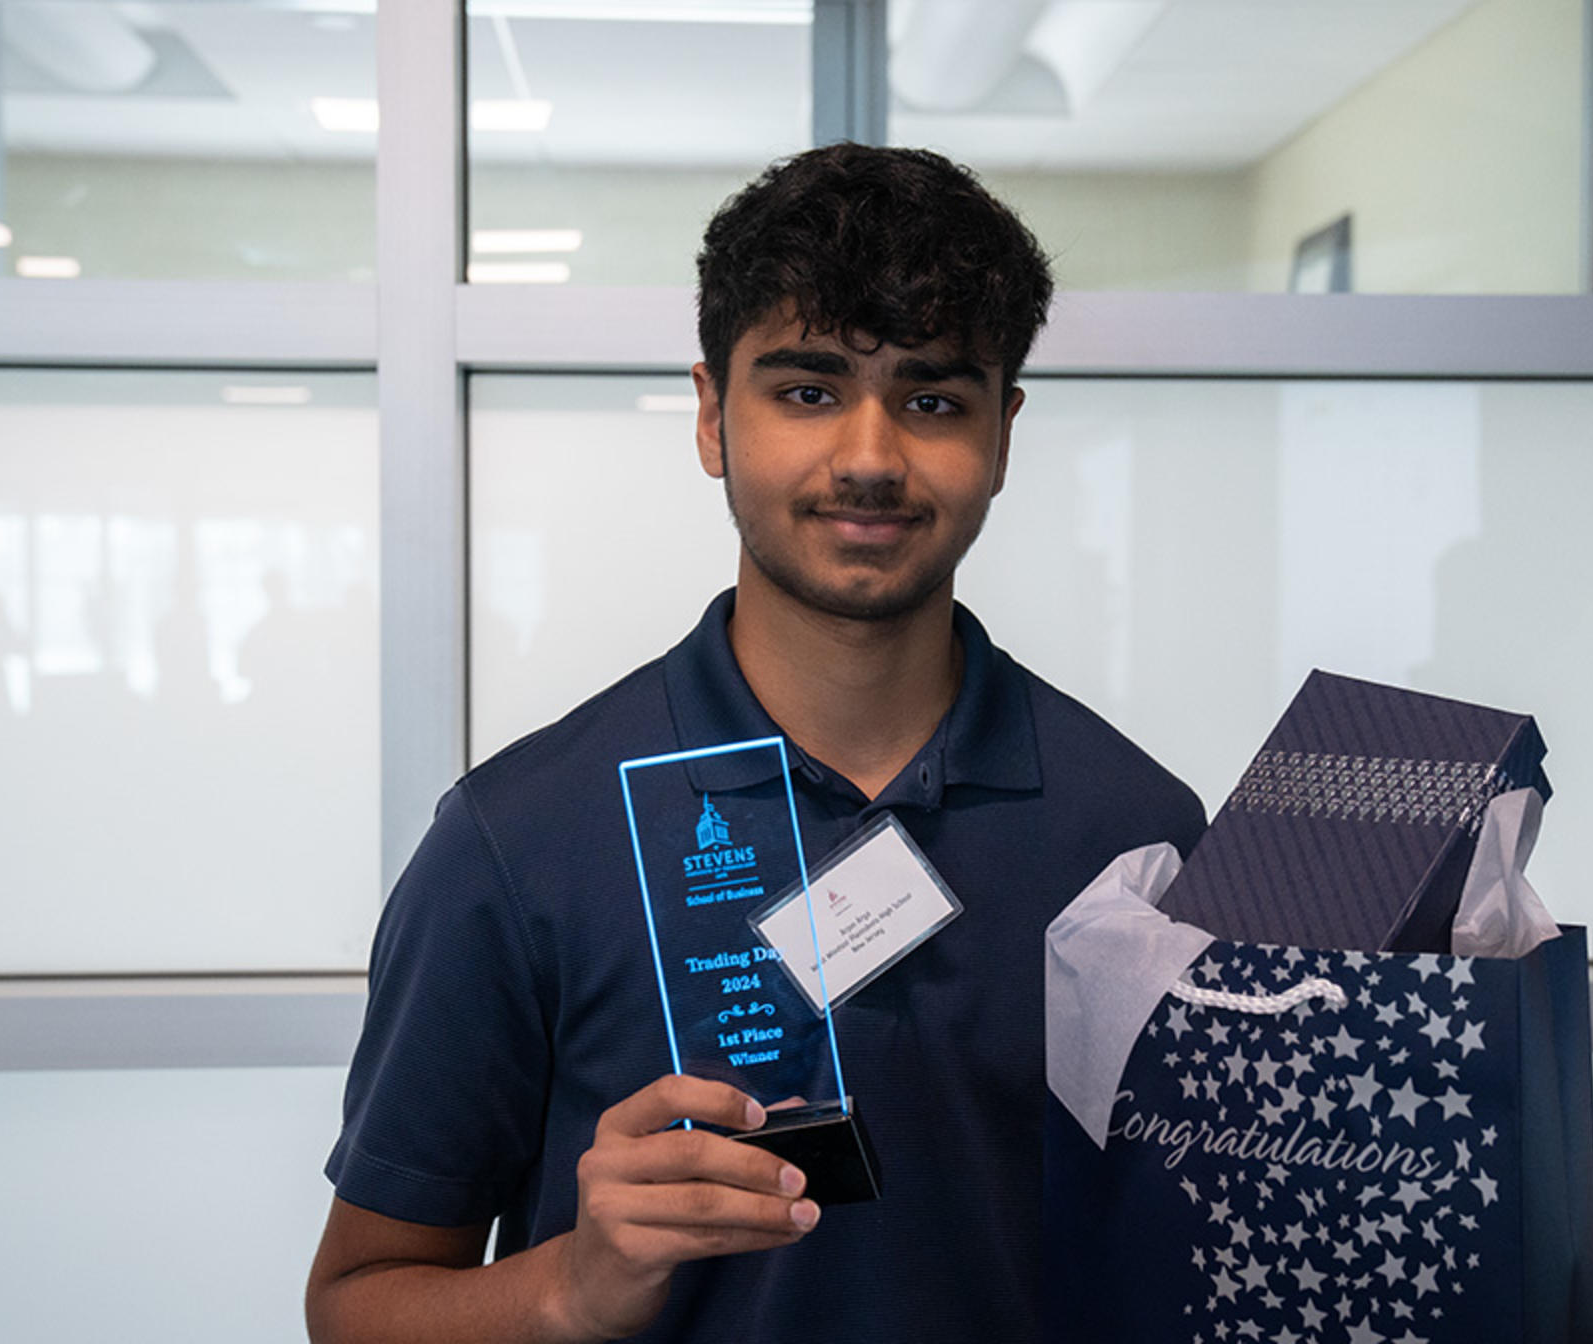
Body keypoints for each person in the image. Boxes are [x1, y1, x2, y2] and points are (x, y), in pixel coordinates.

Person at [306, 143, 1206, 1343]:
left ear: (1004, 432)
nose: (873, 456)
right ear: (711, 417)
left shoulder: (1135, 834)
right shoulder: (521, 842)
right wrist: (570, 1289)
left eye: (934, 398)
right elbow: (356, 1305)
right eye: (809, 389)